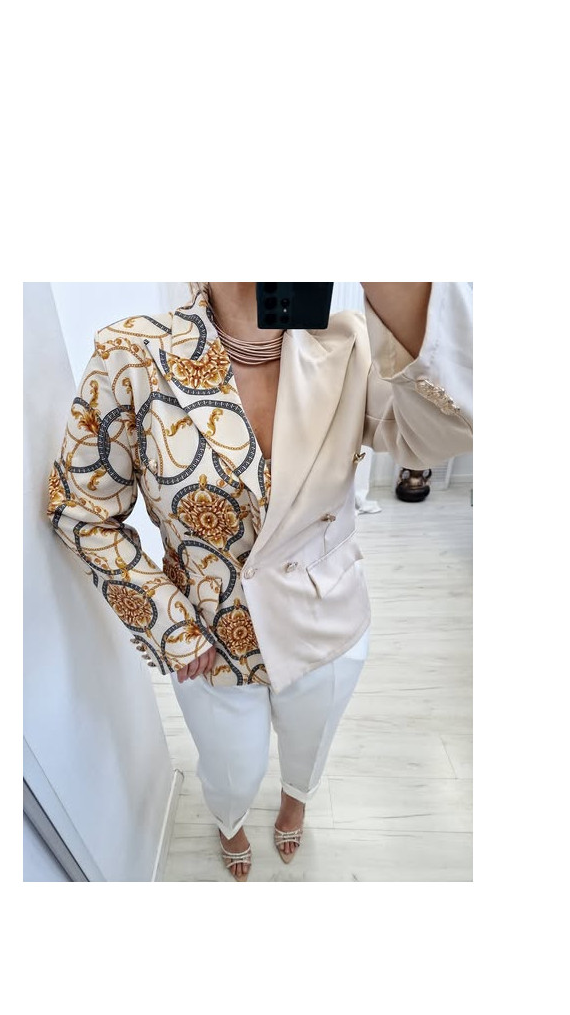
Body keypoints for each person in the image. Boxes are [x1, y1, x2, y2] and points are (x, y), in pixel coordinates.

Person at [47, 282, 473, 880]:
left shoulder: (349, 345)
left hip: (325, 624)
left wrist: (398, 282)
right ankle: (230, 819)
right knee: (231, 772)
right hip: (209, 641)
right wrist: (168, 623)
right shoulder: (132, 356)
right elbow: (80, 508)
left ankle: (298, 800)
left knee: (310, 746)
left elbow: (447, 430)